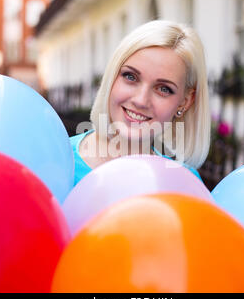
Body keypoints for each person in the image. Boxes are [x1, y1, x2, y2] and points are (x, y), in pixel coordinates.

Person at [70, 20, 211, 186]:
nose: (141, 100)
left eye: (164, 89)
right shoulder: (55, 159)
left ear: (184, 103)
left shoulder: (186, 184)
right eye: (131, 77)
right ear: (112, 77)